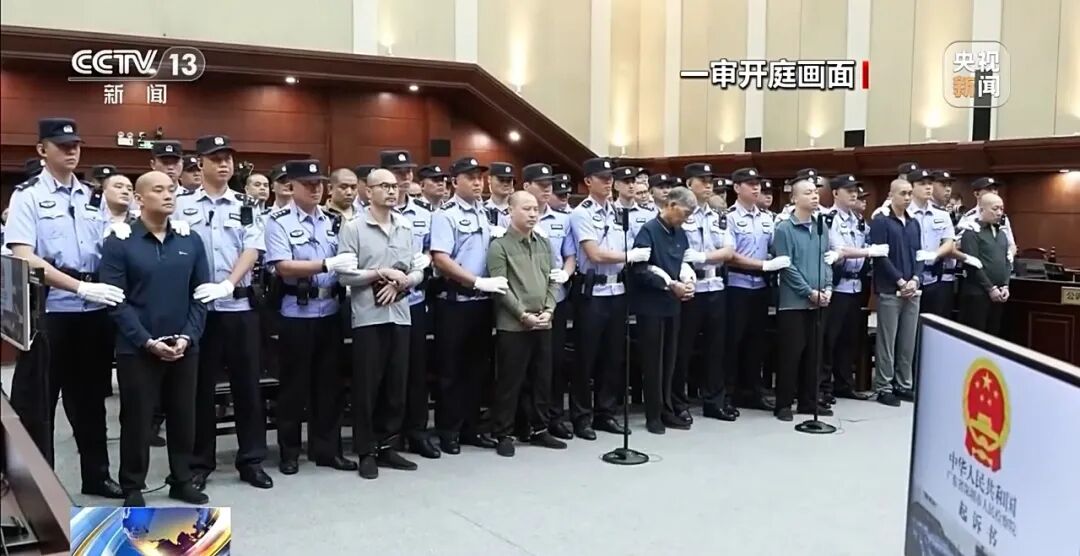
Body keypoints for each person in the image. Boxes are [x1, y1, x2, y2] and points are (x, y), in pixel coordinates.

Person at [5, 118, 126, 499]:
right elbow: (24, 255)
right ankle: (39, 488)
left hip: (92, 312)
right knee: (38, 404)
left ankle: (97, 476)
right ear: (42, 150)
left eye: (76, 145)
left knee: (90, 401)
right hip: (50, 312)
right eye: (62, 145)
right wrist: (78, 286)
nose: (72, 151)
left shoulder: (92, 196)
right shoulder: (27, 196)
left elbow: (108, 245)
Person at [99, 170, 210, 507]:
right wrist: (146, 341)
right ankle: (133, 485)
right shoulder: (120, 242)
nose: (168, 195)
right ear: (139, 198)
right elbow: (116, 300)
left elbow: (201, 294)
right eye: (158, 190)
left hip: (182, 345)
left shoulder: (190, 240)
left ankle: (181, 479)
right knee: (137, 418)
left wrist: (189, 336)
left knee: (184, 415)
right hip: (138, 347)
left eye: (171, 190)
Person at [172, 135, 272, 490]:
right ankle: (200, 462)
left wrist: (229, 283)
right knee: (200, 389)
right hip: (198, 309)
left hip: (238, 306)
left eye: (228, 158)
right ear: (200, 163)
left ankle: (252, 460)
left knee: (248, 386)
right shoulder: (181, 204)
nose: (224, 164)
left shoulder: (246, 204)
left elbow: (252, 248)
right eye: (216, 159)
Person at [264, 159, 360, 474]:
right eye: (308, 184)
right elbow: (283, 266)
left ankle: (327, 450)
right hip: (296, 311)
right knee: (293, 387)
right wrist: (326, 265)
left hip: (330, 309)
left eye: (319, 183)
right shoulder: (278, 221)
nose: (316, 189)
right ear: (291, 186)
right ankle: (290, 452)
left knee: (329, 386)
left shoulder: (333, 220)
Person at [337, 168, 425, 478]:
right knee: (367, 386)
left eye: (394, 186)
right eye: (384, 186)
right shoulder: (354, 227)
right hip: (368, 316)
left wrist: (404, 283)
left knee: (395, 384)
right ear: (368, 191)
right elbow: (344, 275)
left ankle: (388, 445)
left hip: (400, 313)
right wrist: (379, 274)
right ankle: (366, 450)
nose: (391, 191)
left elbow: (417, 270)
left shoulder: (405, 226)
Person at [430, 156, 509, 454]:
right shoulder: (446, 214)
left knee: (478, 370)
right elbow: (441, 259)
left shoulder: (486, 213)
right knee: (451, 371)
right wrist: (475, 281)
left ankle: (471, 427)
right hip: (455, 301)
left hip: (483, 302)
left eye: (480, 177)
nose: (478, 182)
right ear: (455, 182)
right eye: (471, 177)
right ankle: (449, 430)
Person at [569, 158, 652, 440]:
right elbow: (594, 253)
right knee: (586, 357)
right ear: (588, 181)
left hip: (618, 291)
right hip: (593, 292)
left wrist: (631, 255)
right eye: (602, 178)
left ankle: (606, 413)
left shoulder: (618, 212)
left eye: (610, 178)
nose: (608, 182)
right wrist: (629, 256)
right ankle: (581, 416)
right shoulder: (582, 213)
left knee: (613, 356)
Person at [486, 190, 567, 456]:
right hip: (514, 324)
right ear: (510, 211)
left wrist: (550, 309)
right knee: (510, 382)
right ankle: (503, 433)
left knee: (541, 379)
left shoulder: (543, 243)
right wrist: (522, 314)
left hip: (543, 321)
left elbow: (553, 279)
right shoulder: (499, 246)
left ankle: (538, 428)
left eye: (535, 209)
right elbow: (501, 287)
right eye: (526, 209)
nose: (533, 214)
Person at [724, 168, 792, 412]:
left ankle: (752, 391)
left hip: (761, 286)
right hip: (738, 285)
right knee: (733, 341)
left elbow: (774, 246)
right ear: (737, 188)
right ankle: (728, 393)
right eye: (750, 184)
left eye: (758, 184)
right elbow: (730, 255)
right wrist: (763, 265)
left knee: (756, 342)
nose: (756, 188)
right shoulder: (729, 218)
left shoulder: (766, 218)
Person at [629, 186, 695, 433]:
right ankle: (653, 414)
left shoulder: (680, 232)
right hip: (651, 305)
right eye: (685, 213)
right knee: (653, 362)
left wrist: (688, 281)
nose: (685, 219)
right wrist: (669, 284)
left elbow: (684, 261)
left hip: (672, 305)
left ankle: (667, 408)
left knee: (670, 360)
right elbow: (641, 269)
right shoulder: (649, 230)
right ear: (671, 205)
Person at [676, 164, 738, 422]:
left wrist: (703, 257)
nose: (708, 184)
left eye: (710, 179)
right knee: (683, 348)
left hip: (716, 286)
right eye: (702, 180)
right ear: (689, 184)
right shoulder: (680, 214)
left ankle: (714, 401)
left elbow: (729, 251)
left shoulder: (719, 215)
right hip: (690, 288)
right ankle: (678, 402)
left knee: (716, 348)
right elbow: (677, 251)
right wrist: (707, 258)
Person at [772, 178, 833, 421]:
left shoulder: (821, 226)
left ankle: (809, 401)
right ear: (794, 198)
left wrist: (827, 287)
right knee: (791, 355)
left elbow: (825, 259)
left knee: (814, 355)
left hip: (818, 301)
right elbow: (787, 266)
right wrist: (808, 291)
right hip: (794, 303)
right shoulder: (784, 228)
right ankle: (784, 404)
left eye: (816, 192)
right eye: (808, 193)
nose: (814, 196)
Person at [523, 163, 576, 440]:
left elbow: (570, 256)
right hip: (525, 299)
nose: (547, 189)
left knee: (553, 362)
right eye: (541, 184)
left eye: (549, 185)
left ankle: (552, 417)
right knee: (525, 364)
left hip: (555, 297)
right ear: (526, 186)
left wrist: (566, 273)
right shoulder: (514, 218)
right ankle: (524, 419)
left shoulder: (562, 220)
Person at [822, 175, 887, 402]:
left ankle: (844, 384)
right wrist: (869, 252)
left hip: (856, 285)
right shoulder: (829, 219)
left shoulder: (858, 220)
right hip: (837, 286)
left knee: (849, 339)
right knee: (829, 338)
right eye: (848, 190)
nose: (854, 194)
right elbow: (839, 249)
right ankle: (824, 387)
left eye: (855, 191)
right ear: (835, 193)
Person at [398, 165, 441, 459]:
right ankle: (387, 435)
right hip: (381, 303)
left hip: (414, 300)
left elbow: (430, 248)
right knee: (388, 371)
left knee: (416, 371)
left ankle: (416, 432)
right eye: (397, 173)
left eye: (407, 173)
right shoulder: (366, 213)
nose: (403, 178)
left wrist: (422, 260)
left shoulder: (424, 214)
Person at [869, 179, 924, 407]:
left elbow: (919, 254)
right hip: (890, 289)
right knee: (887, 341)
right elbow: (880, 257)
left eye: (910, 193)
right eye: (903, 193)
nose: (908, 197)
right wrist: (900, 281)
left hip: (912, 289)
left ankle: (904, 384)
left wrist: (915, 279)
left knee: (907, 340)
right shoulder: (881, 221)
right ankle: (884, 385)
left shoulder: (914, 223)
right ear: (891, 195)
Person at [958, 193, 1011, 336]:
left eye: (1001, 209)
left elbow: (1007, 261)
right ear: (981, 210)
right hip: (977, 294)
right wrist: (990, 288)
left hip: (999, 294)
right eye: (995, 209)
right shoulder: (971, 233)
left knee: (993, 335)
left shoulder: (1002, 234)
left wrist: (1005, 285)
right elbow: (972, 264)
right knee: (976, 336)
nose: (999, 213)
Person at [959, 177, 1016, 264]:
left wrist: (1010, 254)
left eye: (995, 189)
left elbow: (1011, 244)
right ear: (977, 194)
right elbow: (957, 245)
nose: (994, 192)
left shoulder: (1002, 217)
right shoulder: (969, 218)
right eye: (989, 189)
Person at [613, 166, 654, 242]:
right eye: (627, 182)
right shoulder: (610, 212)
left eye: (633, 182)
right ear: (616, 186)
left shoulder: (648, 214)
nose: (631, 186)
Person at [484, 162, 515, 228]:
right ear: (489, 179)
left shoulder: (518, 210)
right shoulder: (482, 209)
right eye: (501, 180)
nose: (506, 184)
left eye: (509, 180)